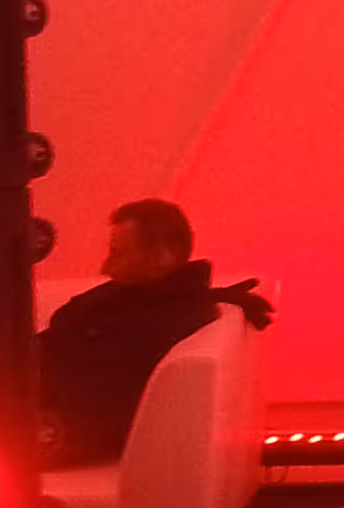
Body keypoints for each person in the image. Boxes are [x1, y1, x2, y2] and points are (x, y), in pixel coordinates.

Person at [36, 199, 274, 467]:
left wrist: (36, 429)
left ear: (162, 255)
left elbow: (108, 405)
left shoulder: (161, 323)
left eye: (118, 252)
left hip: (51, 424)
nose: (106, 266)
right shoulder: (131, 300)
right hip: (25, 392)